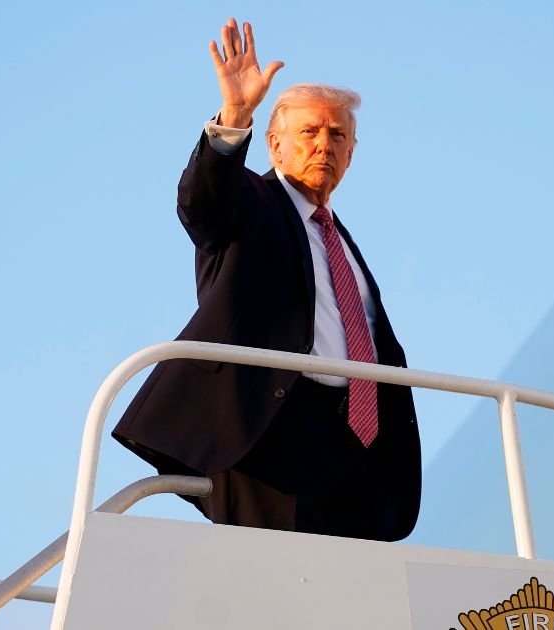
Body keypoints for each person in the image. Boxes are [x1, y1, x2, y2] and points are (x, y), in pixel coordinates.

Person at [111, 18, 421, 542]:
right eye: (309, 132)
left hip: (350, 441)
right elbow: (202, 205)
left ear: (352, 153)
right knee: (278, 589)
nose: (324, 144)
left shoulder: (342, 241)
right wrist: (234, 117)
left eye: (337, 134)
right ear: (274, 147)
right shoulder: (250, 204)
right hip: (268, 427)